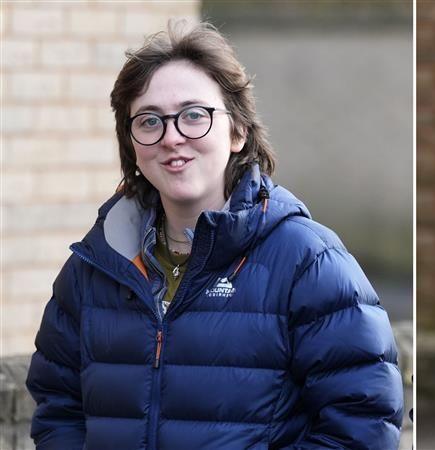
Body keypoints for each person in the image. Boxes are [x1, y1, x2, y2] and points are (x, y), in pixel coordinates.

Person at [25, 21, 403, 450]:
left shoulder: (308, 262)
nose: (171, 137)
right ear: (131, 144)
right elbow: (57, 408)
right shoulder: (95, 266)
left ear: (238, 131)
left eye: (194, 116)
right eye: (149, 121)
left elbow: (363, 424)